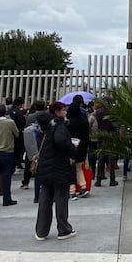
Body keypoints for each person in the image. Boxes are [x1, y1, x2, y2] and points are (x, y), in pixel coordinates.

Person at [34, 102, 78, 240]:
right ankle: (64, 229)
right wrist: (72, 149)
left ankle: (41, 231)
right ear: (57, 111)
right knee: (61, 198)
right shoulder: (59, 126)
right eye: (64, 110)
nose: (65, 112)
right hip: (59, 166)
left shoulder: (45, 125)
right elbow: (60, 141)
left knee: (45, 199)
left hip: (45, 166)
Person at [0, 104, 19, 207]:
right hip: (7, 151)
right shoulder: (9, 122)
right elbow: (16, 133)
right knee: (6, 176)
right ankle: (6, 198)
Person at [66, 96, 92, 198]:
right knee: (79, 169)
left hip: (69, 149)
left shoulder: (67, 122)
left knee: (69, 169)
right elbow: (87, 136)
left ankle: (71, 190)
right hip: (82, 148)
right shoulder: (84, 121)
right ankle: (83, 187)